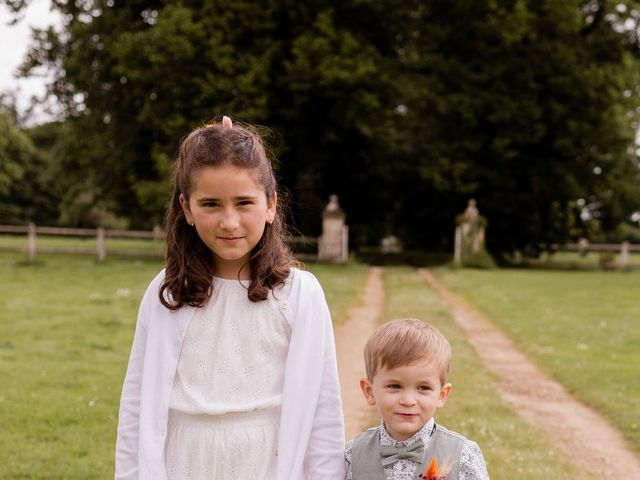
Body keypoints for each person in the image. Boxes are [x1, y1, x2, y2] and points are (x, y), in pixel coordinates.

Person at [115, 116, 345, 479]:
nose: (230, 221)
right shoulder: (168, 293)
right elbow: (136, 407)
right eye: (210, 204)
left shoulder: (300, 295)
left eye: (243, 202)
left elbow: (323, 412)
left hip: (267, 465)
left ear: (270, 205)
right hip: (183, 464)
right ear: (187, 208)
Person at [345, 318, 489, 480]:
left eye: (423, 388)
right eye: (395, 386)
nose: (408, 400)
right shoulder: (352, 456)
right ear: (370, 392)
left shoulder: (462, 455)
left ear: (441, 395)